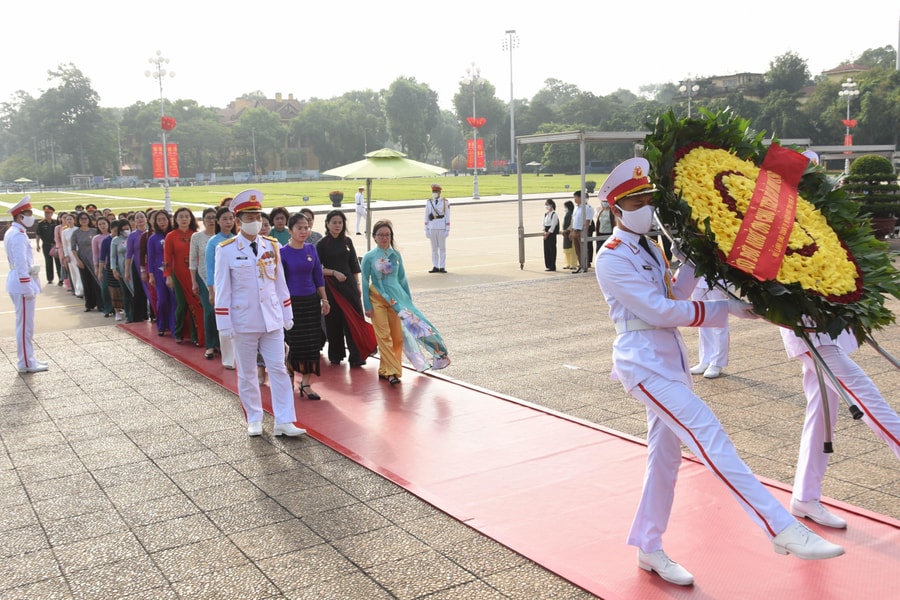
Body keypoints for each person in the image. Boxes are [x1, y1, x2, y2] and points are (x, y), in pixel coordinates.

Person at [594, 157, 843, 587]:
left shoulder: (651, 247)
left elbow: (676, 292)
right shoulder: (611, 258)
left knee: (665, 460)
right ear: (616, 210)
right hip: (641, 363)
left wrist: (694, 258)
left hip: (667, 362)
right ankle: (781, 527)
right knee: (708, 432)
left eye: (648, 198)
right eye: (636, 201)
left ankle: (649, 547)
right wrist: (725, 309)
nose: (646, 207)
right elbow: (659, 310)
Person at [780, 327, 900, 529]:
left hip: (823, 330)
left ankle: (805, 495)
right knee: (870, 402)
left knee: (821, 413)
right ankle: (804, 496)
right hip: (809, 330)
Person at [214, 189, 306, 437]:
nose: (255, 221)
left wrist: (287, 315)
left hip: (272, 319)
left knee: (278, 369)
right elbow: (223, 289)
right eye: (248, 216)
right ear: (238, 220)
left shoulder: (271, 245)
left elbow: (279, 283)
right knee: (247, 373)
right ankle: (254, 418)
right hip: (243, 320)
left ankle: (284, 420)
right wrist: (224, 324)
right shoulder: (226, 249)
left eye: (257, 216)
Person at [362, 220, 450, 385]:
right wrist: (367, 305)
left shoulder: (396, 256)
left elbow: (402, 280)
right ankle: (392, 372)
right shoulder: (369, 257)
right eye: (380, 234)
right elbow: (364, 281)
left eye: (387, 234)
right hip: (377, 300)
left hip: (397, 301)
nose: (384, 238)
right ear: (374, 237)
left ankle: (385, 369)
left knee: (397, 338)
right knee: (384, 336)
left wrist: (408, 301)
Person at [281, 213, 330, 399]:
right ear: (290, 230)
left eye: (306, 227)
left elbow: (318, 275)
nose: (304, 231)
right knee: (295, 342)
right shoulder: (283, 252)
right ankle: (290, 375)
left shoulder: (311, 249)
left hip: (311, 301)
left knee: (312, 343)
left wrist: (324, 299)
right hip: (292, 303)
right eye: (299, 228)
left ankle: (306, 383)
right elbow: (281, 282)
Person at [317, 209, 370, 367]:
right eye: (334, 223)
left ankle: (357, 355)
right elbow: (317, 268)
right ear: (327, 224)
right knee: (333, 322)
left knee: (353, 320)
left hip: (349, 287)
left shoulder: (347, 242)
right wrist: (333, 272)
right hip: (331, 288)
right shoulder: (322, 244)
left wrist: (357, 285)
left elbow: (354, 264)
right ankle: (336, 354)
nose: (337, 226)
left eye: (340, 223)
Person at [5, 196, 48, 373]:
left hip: (20, 281)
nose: (32, 216)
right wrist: (27, 286)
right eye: (29, 213)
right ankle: (26, 363)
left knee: (25, 325)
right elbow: (21, 264)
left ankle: (29, 359)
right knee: (25, 327)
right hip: (21, 284)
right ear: (20, 216)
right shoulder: (17, 235)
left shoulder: (15, 232)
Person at [164, 207, 205, 347]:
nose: (184, 219)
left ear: (191, 218)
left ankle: (196, 336)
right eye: (181, 216)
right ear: (175, 219)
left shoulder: (196, 235)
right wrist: (168, 276)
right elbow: (167, 258)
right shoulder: (171, 236)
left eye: (186, 216)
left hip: (195, 274)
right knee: (182, 305)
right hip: (179, 275)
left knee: (196, 304)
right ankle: (179, 332)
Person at [206, 202, 236, 369]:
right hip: (221, 286)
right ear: (218, 221)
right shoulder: (214, 242)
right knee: (224, 319)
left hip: (237, 285)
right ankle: (228, 359)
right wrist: (211, 290)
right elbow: (210, 267)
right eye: (224, 219)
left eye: (231, 218)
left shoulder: (238, 239)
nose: (228, 222)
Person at [190, 207, 218, 358]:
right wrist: (194, 281)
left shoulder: (224, 236)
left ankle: (221, 343)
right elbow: (193, 260)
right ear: (203, 220)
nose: (211, 221)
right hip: (203, 277)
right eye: (208, 218)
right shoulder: (197, 237)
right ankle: (210, 345)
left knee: (222, 312)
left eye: (214, 217)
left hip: (222, 279)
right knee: (209, 311)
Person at [689, 278, 730, 379]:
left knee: (718, 322)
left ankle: (717, 363)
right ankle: (705, 360)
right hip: (696, 279)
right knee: (702, 321)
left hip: (717, 280)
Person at [148, 210, 175, 336]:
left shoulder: (173, 235)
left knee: (174, 300)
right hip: (159, 273)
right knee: (162, 299)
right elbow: (150, 257)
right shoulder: (153, 238)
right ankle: (162, 325)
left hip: (174, 271)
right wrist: (151, 274)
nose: (162, 222)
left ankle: (174, 326)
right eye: (159, 220)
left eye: (164, 219)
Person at [70, 211, 101, 312]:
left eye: (85, 218)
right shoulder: (76, 233)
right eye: (81, 219)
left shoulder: (94, 231)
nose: (84, 220)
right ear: (78, 221)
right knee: (86, 282)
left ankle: (100, 304)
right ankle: (89, 304)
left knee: (96, 281)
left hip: (94, 259)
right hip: (83, 260)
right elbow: (73, 248)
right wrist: (78, 260)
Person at [125, 211, 150, 322]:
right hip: (137, 266)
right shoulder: (132, 235)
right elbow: (129, 254)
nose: (140, 219)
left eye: (142, 217)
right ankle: (139, 315)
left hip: (150, 265)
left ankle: (153, 314)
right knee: (139, 291)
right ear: (134, 221)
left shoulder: (151, 233)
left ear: (146, 219)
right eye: (137, 218)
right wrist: (126, 271)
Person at [109, 219, 132, 321]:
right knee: (126, 293)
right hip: (122, 269)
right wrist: (114, 269)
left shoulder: (133, 237)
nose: (126, 229)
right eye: (124, 227)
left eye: (128, 227)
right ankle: (128, 315)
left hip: (134, 267)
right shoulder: (116, 240)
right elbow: (113, 257)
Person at [425, 184, 450, 273]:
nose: (434, 193)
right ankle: (435, 266)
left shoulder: (445, 202)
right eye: (433, 192)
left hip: (441, 226)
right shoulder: (429, 202)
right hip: (432, 227)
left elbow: (447, 215)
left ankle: (442, 266)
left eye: (436, 192)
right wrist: (426, 229)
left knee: (442, 248)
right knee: (434, 248)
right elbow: (426, 215)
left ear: (439, 192)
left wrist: (447, 229)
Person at [91, 216, 113, 317]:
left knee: (116, 288)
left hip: (114, 265)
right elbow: (96, 254)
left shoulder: (113, 236)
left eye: (104, 223)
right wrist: (97, 268)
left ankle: (117, 307)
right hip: (104, 266)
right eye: (100, 224)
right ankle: (107, 308)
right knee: (105, 288)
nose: (102, 226)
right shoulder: (96, 238)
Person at [35, 204, 59, 284]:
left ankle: (60, 277)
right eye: (46, 213)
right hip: (46, 244)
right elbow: (38, 234)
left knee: (58, 261)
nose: (47, 215)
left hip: (55, 245)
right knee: (48, 262)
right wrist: (37, 245)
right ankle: (50, 278)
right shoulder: (41, 223)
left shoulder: (55, 222)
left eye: (49, 213)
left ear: (52, 213)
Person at [571, 190, 593, 274]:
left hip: (581, 231)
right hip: (575, 231)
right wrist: (572, 231)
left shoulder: (586, 208)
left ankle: (585, 265)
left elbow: (587, 221)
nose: (574, 199)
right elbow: (574, 220)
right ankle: (580, 265)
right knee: (577, 250)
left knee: (583, 249)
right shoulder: (576, 208)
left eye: (575, 197)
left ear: (580, 197)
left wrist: (584, 232)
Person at [61, 213, 83, 297]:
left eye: (71, 219)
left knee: (79, 271)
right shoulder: (64, 232)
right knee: (73, 272)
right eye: (67, 219)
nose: (69, 221)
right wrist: (66, 255)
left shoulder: (78, 229)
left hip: (78, 252)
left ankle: (82, 288)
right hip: (70, 253)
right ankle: (77, 290)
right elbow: (65, 244)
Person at [542, 199, 560, 271]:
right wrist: (544, 231)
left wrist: (548, 233)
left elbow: (553, 225)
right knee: (546, 250)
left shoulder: (554, 214)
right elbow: (543, 223)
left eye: (547, 205)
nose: (546, 206)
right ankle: (548, 265)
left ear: (551, 205)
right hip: (546, 232)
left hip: (551, 234)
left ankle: (552, 265)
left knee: (552, 249)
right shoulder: (546, 214)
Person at [561, 200, 577, 270]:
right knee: (566, 249)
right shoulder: (567, 214)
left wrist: (567, 230)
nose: (564, 208)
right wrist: (563, 230)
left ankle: (573, 264)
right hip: (565, 233)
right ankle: (567, 263)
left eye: (565, 207)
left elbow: (572, 224)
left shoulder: (572, 214)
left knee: (572, 249)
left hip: (569, 232)